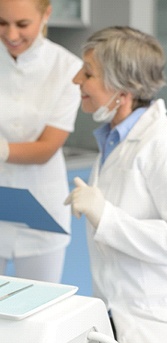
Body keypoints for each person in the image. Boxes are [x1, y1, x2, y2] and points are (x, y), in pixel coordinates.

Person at [64, 26, 167, 343]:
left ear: (123, 88)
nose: (77, 79)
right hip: (122, 315)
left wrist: (106, 216)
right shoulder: (114, 140)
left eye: (88, 73)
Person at [0, 0, 81, 282]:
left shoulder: (68, 68)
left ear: (46, 14)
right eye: (1, 23)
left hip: (41, 210)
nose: (11, 35)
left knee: (39, 309)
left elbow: (45, 148)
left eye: (22, 24)